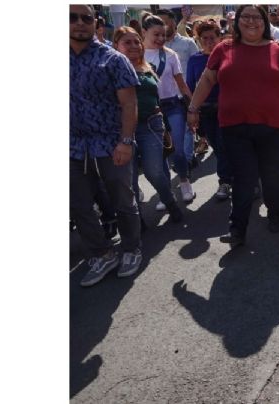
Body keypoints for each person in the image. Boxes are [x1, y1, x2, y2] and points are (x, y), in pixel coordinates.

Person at [187, 5, 279, 246]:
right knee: (243, 178)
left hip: (275, 126)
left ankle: (275, 214)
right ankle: (238, 229)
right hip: (235, 126)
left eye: (257, 17)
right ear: (237, 22)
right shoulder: (224, 49)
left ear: (266, 23)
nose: (251, 22)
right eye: (246, 17)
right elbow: (207, 79)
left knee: (272, 176)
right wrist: (193, 108)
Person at [70, 4, 142, 287]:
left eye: (86, 18)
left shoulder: (112, 60)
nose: (79, 23)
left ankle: (131, 248)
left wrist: (125, 141)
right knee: (79, 205)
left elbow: (129, 104)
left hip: (111, 143)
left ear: (96, 22)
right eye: (71, 18)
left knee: (122, 199)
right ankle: (101, 253)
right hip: (72, 145)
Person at [113, 26, 184, 224]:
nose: (134, 46)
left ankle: (170, 203)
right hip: (122, 129)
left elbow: (157, 99)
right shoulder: (110, 69)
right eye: (127, 42)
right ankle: (137, 220)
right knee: (130, 178)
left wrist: (166, 126)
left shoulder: (147, 67)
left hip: (151, 125)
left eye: (136, 41)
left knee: (154, 171)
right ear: (116, 45)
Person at [142, 13, 196, 206]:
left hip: (173, 106)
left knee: (179, 150)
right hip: (150, 111)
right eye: (156, 34)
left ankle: (184, 181)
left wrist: (193, 108)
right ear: (144, 32)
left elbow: (182, 84)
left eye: (163, 34)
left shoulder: (170, 55)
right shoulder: (136, 55)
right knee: (160, 154)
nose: (160, 39)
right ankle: (166, 193)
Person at [186, 21, 233, 201]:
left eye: (212, 38)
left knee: (223, 145)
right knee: (218, 147)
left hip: (227, 109)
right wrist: (192, 110)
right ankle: (231, 177)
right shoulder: (195, 60)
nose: (208, 42)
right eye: (204, 38)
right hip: (206, 111)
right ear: (198, 40)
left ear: (219, 38)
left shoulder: (227, 56)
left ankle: (225, 181)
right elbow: (191, 86)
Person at [155, 9, 199, 78]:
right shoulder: (155, 46)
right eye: (158, 24)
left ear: (174, 23)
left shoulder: (188, 43)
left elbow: (197, 68)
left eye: (164, 23)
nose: (162, 27)